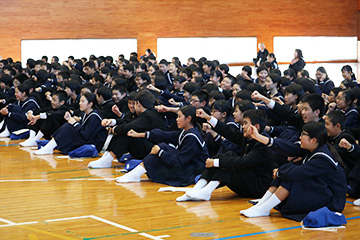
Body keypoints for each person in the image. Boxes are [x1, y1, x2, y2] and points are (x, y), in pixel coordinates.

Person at [240, 122, 347, 221]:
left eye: (303, 134)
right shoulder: (312, 148)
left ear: (313, 140)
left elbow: (298, 172)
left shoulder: (322, 158)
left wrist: (279, 172)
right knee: (287, 172)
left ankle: (265, 208)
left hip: (332, 201)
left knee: (290, 175)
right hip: (321, 189)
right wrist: (258, 137)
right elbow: (288, 147)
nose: (300, 137)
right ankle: (262, 205)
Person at [176, 109, 274, 201]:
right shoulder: (249, 137)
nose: (243, 127)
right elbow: (228, 132)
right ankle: (196, 189)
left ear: (256, 126)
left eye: (245, 123)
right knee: (227, 155)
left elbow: (243, 162)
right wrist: (208, 117)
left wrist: (215, 162)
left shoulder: (263, 144)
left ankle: (206, 191)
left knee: (228, 163)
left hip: (258, 187)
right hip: (249, 179)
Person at [116, 105, 209, 186]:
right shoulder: (186, 131)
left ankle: (135, 174)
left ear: (188, 118)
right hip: (187, 165)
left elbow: (180, 161)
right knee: (162, 146)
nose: (176, 120)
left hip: (191, 172)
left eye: (179, 117)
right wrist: (140, 134)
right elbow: (167, 135)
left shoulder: (192, 137)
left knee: (160, 152)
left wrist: (160, 152)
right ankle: (135, 174)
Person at [87, 90, 166, 168]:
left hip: (154, 150)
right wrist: (111, 122)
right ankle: (106, 157)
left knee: (127, 132)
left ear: (138, 104)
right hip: (149, 147)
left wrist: (113, 130)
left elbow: (129, 126)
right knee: (125, 131)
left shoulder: (148, 115)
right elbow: (125, 121)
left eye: (134, 103)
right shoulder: (147, 113)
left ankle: (107, 160)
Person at [33, 92, 107, 155]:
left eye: (82, 101)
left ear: (90, 104)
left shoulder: (94, 116)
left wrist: (75, 123)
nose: (80, 103)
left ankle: (49, 147)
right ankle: (49, 147)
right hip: (87, 139)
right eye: (80, 101)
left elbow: (86, 135)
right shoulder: (86, 113)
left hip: (94, 144)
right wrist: (70, 120)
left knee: (69, 127)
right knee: (68, 126)